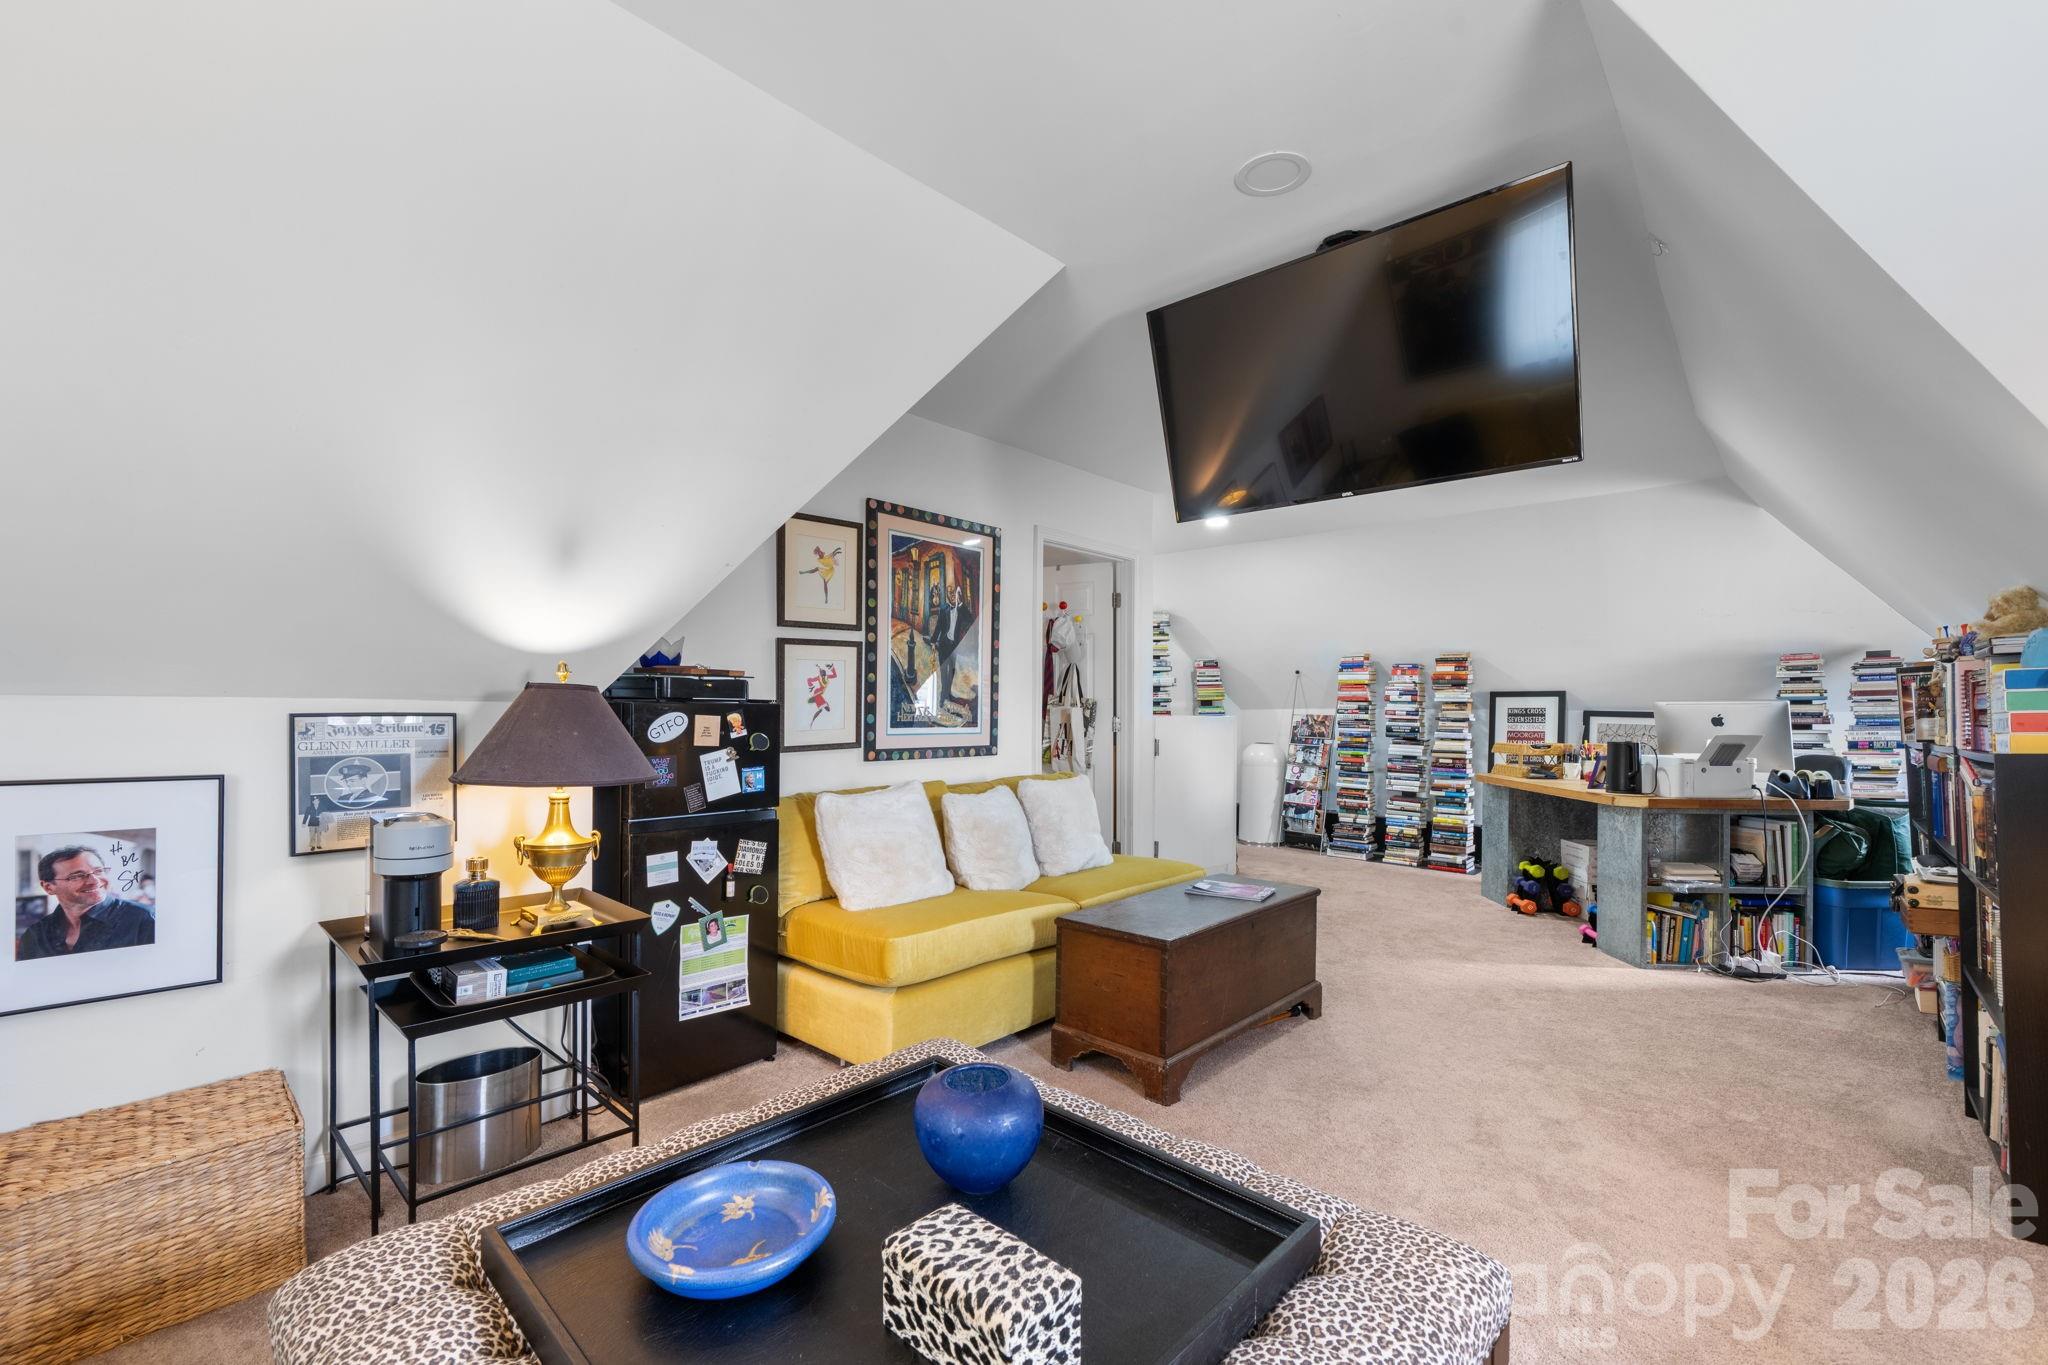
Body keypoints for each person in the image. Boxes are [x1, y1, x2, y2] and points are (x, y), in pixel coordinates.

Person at [16, 846, 156, 960]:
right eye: (77, 876)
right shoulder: (34, 935)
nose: (95, 881)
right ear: (48, 887)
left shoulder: (145, 920)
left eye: (99, 871)